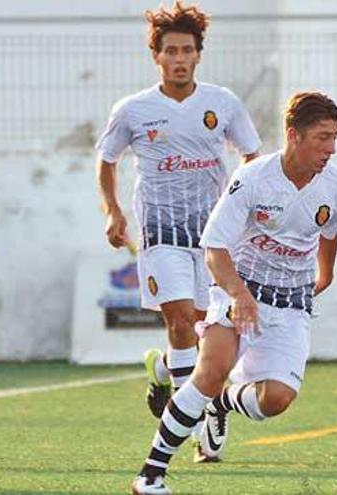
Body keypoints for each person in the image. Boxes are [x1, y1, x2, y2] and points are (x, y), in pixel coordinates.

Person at [131, 91, 337, 494]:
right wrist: (237, 294)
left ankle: (223, 402)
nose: (331, 148)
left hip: (291, 301)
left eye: (335, 137)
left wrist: (326, 273)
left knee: (276, 400)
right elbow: (214, 248)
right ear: (293, 135)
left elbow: (330, 232)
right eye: (322, 137)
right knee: (210, 370)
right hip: (239, 289)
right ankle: (150, 475)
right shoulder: (252, 178)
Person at [95, 0, 261, 446]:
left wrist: (248, 206)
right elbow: (107, 160)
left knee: (206, 325)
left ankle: (165, 369)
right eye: (171, 51)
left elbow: (251, 156)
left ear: (198, 54)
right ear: (157, 56)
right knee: (181, 318)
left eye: (187, 50)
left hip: (214, 237)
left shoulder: (221, 103)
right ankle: (203, 420)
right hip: (160, 232)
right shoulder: (133, 109)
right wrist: (113, 210)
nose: (180, 59)